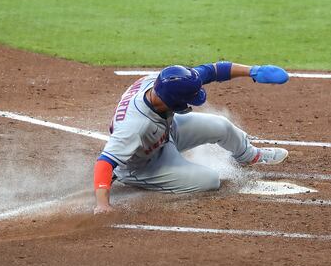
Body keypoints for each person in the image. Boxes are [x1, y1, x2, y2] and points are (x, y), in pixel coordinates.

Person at [93, 62, 289, 215]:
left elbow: (214, 70)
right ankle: (139, 181)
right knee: (209, 180)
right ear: (174, 101)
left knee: (221, 126)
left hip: (167, 133)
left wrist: (254, 71)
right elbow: (104, 163)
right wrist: (103, 205)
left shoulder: (167, 82)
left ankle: (249, 155)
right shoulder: (134, 126)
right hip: (142, 165)